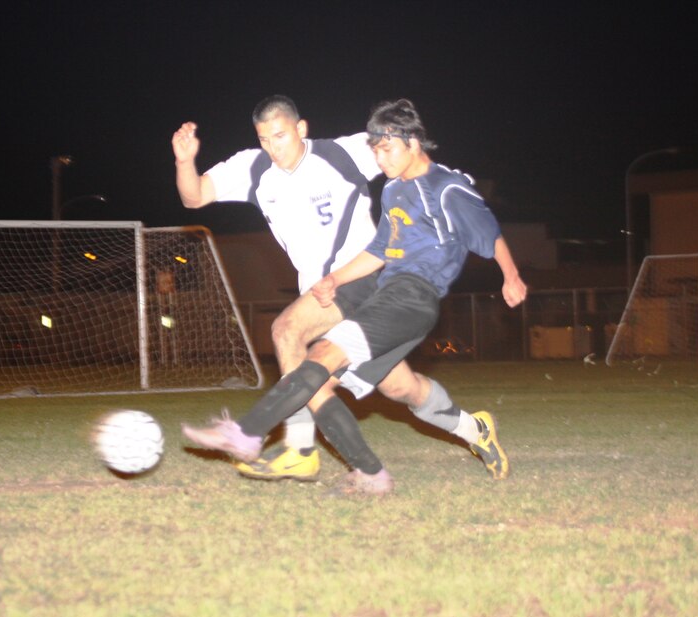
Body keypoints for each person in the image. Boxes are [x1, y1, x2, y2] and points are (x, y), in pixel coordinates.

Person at [182, 98, 528, 495]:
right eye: (265, 139)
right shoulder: (393, 193)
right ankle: (472, 428)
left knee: (291, 335)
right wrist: (184, 161)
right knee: (399, 387)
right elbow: (381, 249)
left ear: (301, 128)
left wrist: (511, 276)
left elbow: (485, 228)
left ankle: (275, 440)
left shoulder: (429, 180)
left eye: (279, 135)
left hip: (401, 295)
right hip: (371, 290)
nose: (380, 158)